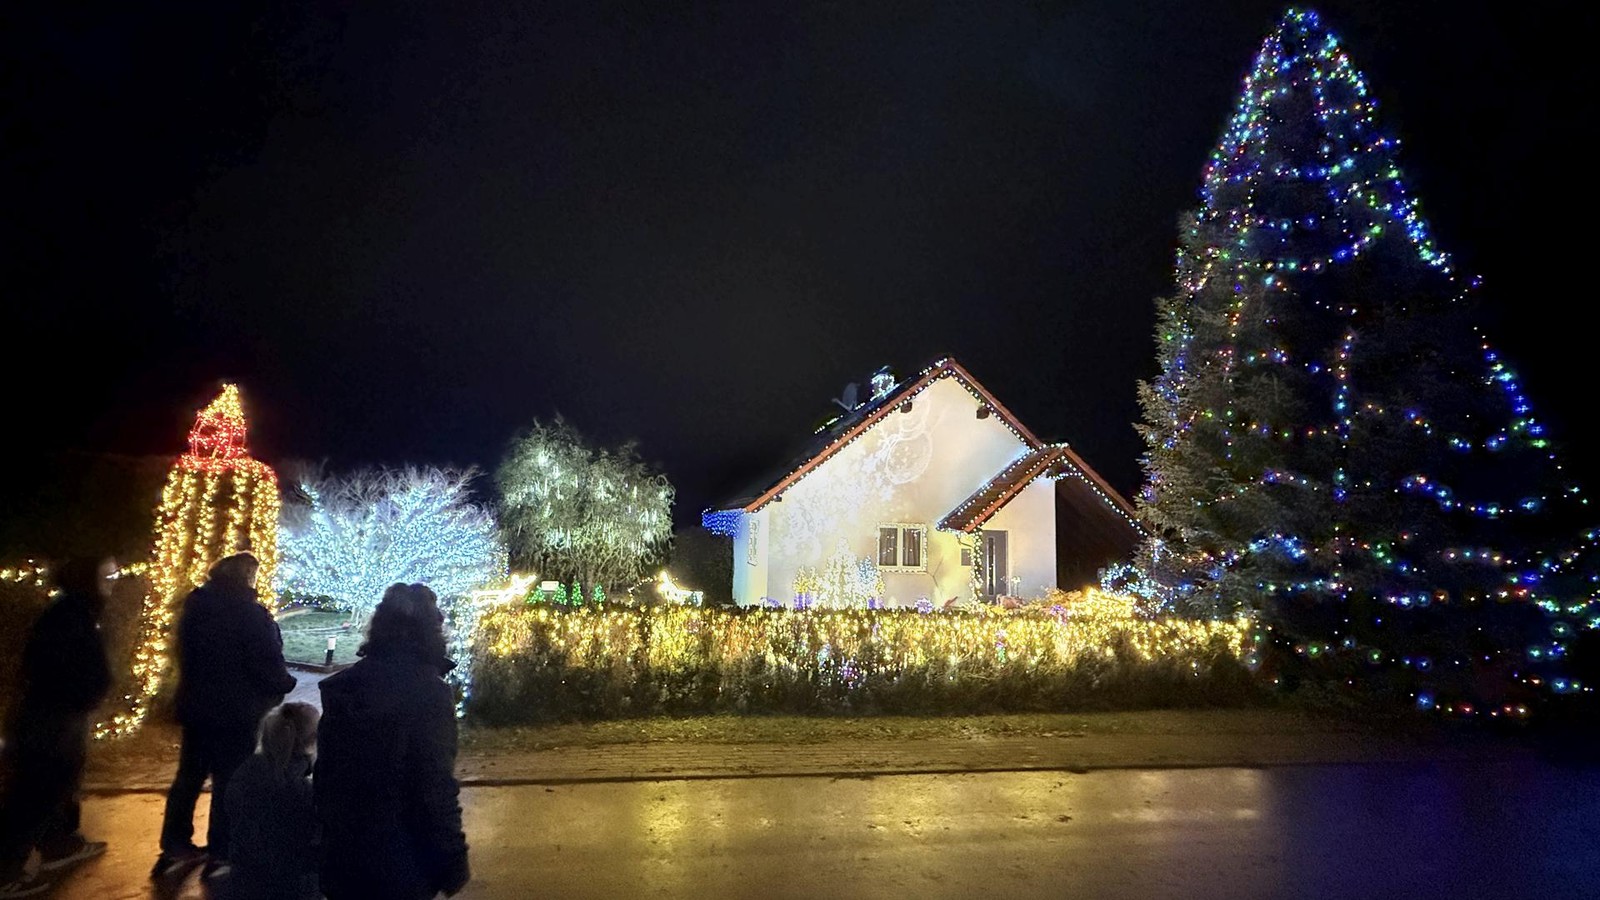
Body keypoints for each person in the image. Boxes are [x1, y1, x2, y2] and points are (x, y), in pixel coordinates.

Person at [315, 584, 469, 900]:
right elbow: (433, 785)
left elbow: (326, 778)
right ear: (431, 631)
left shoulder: (347, 687)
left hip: (345, 858)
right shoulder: (428, 693)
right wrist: (452, 857)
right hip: (403, 863)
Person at [154, 552, 297, 882]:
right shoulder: (251, 616)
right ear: (247, 577)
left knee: (189, 776)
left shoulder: (195, 608)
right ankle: (222, 850)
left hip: (197, 707)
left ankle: (175, 843)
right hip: (236, 713)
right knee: (229, 782)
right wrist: (284, 685)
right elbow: (268, 665)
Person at [0, 557, 115, 899]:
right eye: (106, 573)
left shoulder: (76, 612)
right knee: (37, 790)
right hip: (52, 719)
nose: (113, 579)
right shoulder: (70, 616)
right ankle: (6, 870)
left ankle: (60, 843)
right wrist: (83, 695)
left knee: (59, 784)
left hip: (59, 716)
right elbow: (57, 669)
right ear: (87, 578)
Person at [225, 702, 320, 900]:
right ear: (311, 741)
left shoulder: (245, 773)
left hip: (244, 878)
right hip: (289, 885)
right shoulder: (299, 790)